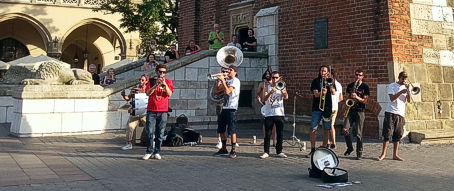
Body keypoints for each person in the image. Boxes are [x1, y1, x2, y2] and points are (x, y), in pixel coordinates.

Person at [142, 64, 174, 160]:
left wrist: (164, 84)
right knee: (150, 132)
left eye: (164, 72)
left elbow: (169, 94)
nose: (162, 74)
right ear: (157, 72)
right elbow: (147, 93)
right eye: (160, 72)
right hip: (151, 110)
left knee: (160, 133)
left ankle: (157, 151)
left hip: (163, 110)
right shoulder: (151, 81)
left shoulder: (168, 81)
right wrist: (156, 85)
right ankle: (149, 151)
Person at [377, 72, 409, 161]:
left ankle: (395, 155)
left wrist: (408, 91)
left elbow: (408, 101)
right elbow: (392, 98)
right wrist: (401, 92)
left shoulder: (405, 87)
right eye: (403, 78)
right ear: (399, 78)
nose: (404, 80)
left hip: (400, 114)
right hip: (390, 112)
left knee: (397, 135)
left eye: (405, 78)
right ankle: (383, 154)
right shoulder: (392, 85)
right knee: (387, 134)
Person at [306, 65, 336, 158]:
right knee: (313, 128)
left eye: (325, 71)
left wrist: (330, 86)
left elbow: (334, 92)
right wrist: (321, 93)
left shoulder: (330, 81)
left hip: (327, 108)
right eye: (322, 70)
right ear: (319, 72)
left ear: (328, 72)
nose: (323, 72)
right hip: (317, 108)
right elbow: (315, 95)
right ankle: (313, 149)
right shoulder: (315, 81)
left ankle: (324, 148)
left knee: (326, 128)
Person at [213, 65, 240, 158]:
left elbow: (228, 91)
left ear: (235, 72)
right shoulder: (227, 80)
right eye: (228, 70)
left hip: (232, 108)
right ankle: (223, 149)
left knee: (232, 130)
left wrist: (223, 81)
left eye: (230, 70)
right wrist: (218, 80)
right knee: (221, 129)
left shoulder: (235, 81)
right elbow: (216, 91)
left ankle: (233, 150)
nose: (228, 72)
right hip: (223, 108)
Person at [259, 71, 289, 159]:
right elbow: (264, 99)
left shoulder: (282, 86)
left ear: (279, 78)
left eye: (276, 78)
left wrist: (283, 92)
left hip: (279, 113)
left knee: (280, 133)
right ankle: (266, 151)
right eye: (273, 78)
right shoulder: (267, 87)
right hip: (269, 113)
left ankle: (279, 151)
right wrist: (270, 92)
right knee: (267, 133)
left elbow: (286, 97)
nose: (274, 79)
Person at [343, 69, 370, 160]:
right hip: (350, 110)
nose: (358, 77)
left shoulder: (365, 87)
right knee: (345, 130)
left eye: (360, 75)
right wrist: (350, 97)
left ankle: (359, 153)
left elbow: (365, 101)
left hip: (360, 111)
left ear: (362, 77)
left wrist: (357, 97)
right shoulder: (351, 85)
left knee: (358, 134)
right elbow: (347, 97)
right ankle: (350, 148)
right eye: (357, 75)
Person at [120, 74, 150, 150]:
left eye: (142, 80)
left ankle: (152, 143)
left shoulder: (149, 89)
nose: (140, 81)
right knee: (130, 126)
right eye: (140, 79)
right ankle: (128, 143)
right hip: (135, 112)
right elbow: (128, 98)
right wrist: (124, 95)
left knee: (150, 128)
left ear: (146, 81)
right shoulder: (135, 89)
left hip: (145, 113)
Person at [256, 69, 276, 146]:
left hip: (273, 105)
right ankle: (266, 140)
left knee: (274, 125)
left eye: (269, 74)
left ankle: (274, 141)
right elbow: (257, 93)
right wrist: (258, 97)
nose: (267, 75)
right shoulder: (262, 84)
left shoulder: (274, 84)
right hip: (265, 105)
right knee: (265, 124)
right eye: (266, 73)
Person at [328, 71, 343, 149]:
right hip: (335, 107)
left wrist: (333, 101)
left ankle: (333, 143)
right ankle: (328, 142)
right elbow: (341, 98)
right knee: (329, 125)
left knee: (329, 125)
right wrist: (335, 101)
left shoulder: (331, 84)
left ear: (332, 75)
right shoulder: (339, 84)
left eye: (328, 74)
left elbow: (340, 98)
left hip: (331, 108)